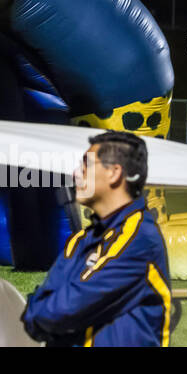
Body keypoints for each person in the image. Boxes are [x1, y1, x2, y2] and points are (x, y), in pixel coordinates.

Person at [21, 131, 174, 346]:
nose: (76, 173)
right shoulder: (81, 240)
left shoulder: (139, 237)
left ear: (114, 173)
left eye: (86, 166)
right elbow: (41, 305)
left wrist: (43, 315)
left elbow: (67, 308)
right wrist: (41, 315)